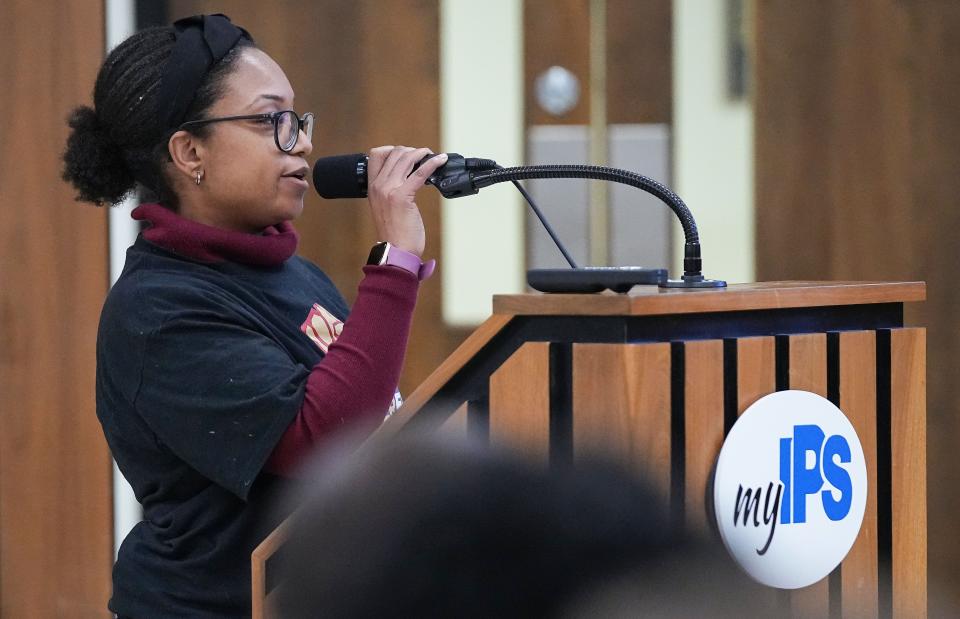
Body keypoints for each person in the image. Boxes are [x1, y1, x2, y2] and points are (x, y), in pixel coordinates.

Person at [61, 13, 446, 618]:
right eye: (272, 122)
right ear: (190, 152)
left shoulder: (291, 273)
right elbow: (321, 441)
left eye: (298, 121)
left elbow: (374, 412)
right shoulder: (158, 309)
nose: (303, 143)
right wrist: (395, 264)